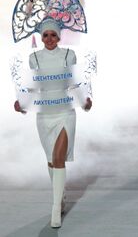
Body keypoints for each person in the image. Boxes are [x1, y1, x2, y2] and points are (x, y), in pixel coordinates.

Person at [14, 19, 92, 228]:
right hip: (44, 114)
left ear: (59, 37)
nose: (49, 39)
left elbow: (75, 82)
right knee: (51, 160)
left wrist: (84, 101)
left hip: (65, 112)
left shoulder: (69, 55)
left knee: (59, 158)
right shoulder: (34, 59)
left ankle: (55, 209)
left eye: (53, 35)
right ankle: (61, 197)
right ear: (41, 38)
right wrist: (21, 103)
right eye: (46, 35)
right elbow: (31, 87)